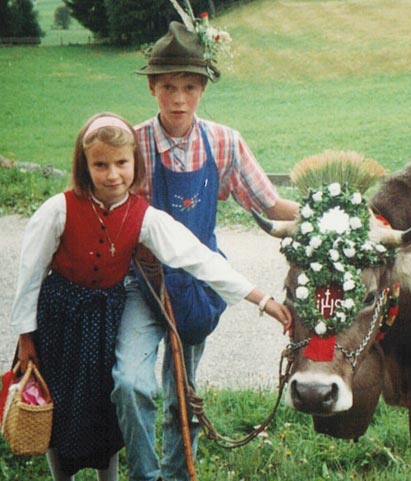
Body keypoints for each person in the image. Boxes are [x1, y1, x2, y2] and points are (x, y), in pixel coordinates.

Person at [8, 112, 292, 481]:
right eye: (100, 165)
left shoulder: (144, 217)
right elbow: (29, 276)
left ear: (135, 164)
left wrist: (263, 300)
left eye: (122, 163)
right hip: (60, 318)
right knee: (60, 402)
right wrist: (26, 336)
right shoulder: (58, 209)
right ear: (84, 165)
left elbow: (198, 258)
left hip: (104, 318)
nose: (113, 174)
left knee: (101, 404)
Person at [112, 19, 299, 481]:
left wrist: (332, 211)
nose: (179, 99)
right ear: (153, 87)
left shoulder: (224, 142)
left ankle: (179, 474)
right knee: (130, 383)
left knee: (183, 393)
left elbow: (270, 202)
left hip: (197, 283)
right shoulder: (131, 144)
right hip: (142, 284)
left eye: (190, 87)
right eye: (169, 86)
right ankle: (144, 474)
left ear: (203, 89)